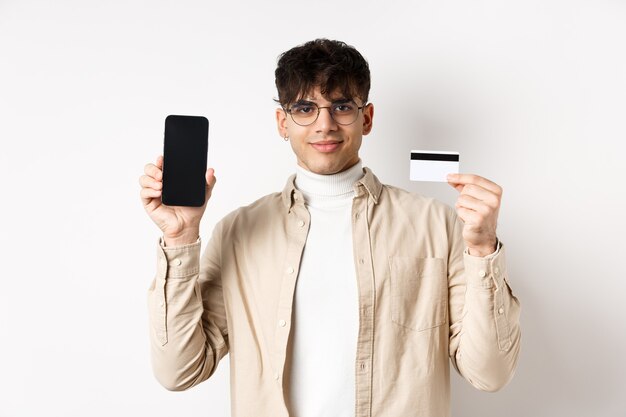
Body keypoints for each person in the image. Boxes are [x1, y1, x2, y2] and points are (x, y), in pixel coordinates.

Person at [139, 38, 521, 417]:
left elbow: (490, 374)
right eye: (305, 108)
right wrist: (180, 237)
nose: (325, 125)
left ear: (366, 118)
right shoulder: (238, 232)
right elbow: (180, 371)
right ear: (282, 122)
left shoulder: (437, 225)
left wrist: (484, 249)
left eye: (341, 106)